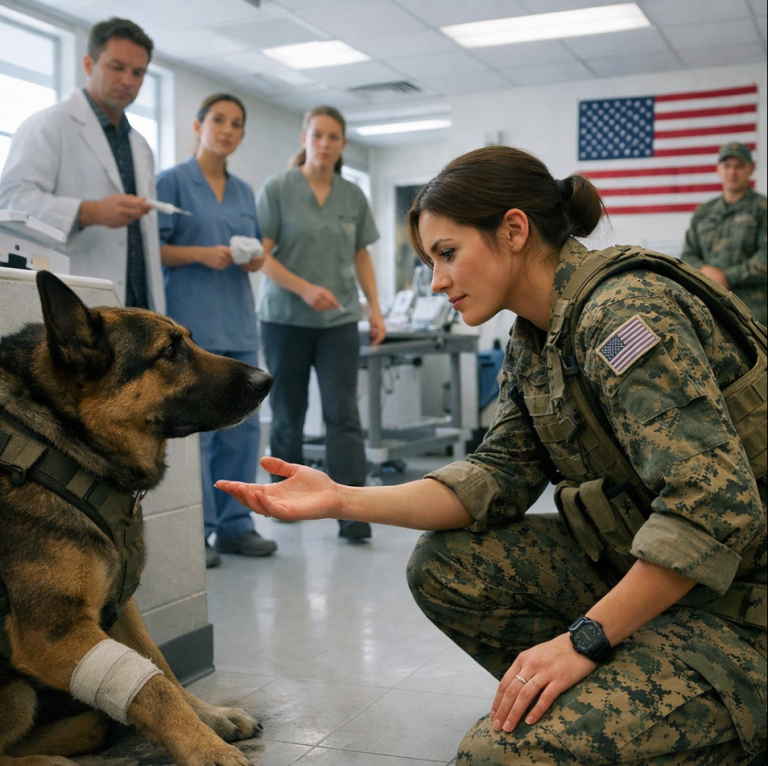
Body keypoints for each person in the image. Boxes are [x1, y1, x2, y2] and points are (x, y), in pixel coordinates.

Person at [217, 146, 767, 764]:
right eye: (431, 260)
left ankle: (711, 704)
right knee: (444, 564)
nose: (436, 280)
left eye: (447, 254)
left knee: (495, 757)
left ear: (513, 231)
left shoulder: (624, 313)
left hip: (745, 607)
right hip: (669, 583)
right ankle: (635, 683)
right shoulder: (535, 340)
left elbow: (709, 513)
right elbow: (495, 475)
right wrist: (342, 498)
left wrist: (585, 639)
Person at [255, 105, 387, 542]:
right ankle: (285, 504)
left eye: (334, 137)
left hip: (338, 322)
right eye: (318, 136)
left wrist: (375, 308)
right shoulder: (278, 189)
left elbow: (361, 255)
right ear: (304, 138)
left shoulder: (352, 196)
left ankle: (352, 514)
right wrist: (303, 288)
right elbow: (262, 256)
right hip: (285, 320)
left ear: (342, 144)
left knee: (343, 413)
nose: (325, 144)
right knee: (289, 415)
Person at [156, 94, 276, 568]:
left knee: (244, 430)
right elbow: (153, 251)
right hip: (193, 327)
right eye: (219, 120)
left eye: (237, 124)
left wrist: (255, 259)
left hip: (239, 319)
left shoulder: (246, 191)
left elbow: (258, 253)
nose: (227, 129)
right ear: (198, 125)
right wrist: (201, 253)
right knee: (200, 430)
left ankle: (236, 526)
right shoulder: (172, 182)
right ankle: (198, 530)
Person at [0, 17, 163, 311]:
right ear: (89, 64)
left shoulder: (140, 146)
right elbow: (13, 201)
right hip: (76, 297)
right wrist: (88, 212)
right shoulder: (49, 124)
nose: (128, 80)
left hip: (139, 304)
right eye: (117, 67)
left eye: (138, 72)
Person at [681, 141, 767, 326]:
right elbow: (687, 255)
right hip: (708, 307)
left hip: (753, 312)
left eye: (739, 166)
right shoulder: (704, 211)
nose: (732, 172)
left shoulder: (763, 209)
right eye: (726, 166)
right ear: (718, 169)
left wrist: (728, 276)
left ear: (751, 168)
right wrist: (704, 272)